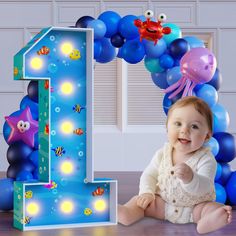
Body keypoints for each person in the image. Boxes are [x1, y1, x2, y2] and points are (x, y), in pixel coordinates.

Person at [118, 96, 232, 234]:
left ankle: (207, 221)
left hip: (194, 208)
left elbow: (205, 186)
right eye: (178, 124)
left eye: (194, 126)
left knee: (211, 207)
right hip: (163, 205)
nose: (184, 130)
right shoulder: (162, 154)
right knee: (140, 201)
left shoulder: (206, 159)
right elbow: (149, 175)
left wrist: (190, 178)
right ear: (167, 128)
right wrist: (147, 192)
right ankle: (127, 213)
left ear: (206, 136)